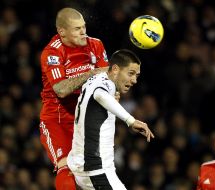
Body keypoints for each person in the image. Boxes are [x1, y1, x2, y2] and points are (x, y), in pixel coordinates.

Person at [39, 7, 109, 190]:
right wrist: (91, 73)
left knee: (93, 171)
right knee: (65, 167)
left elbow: (107, 81)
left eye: (84, 26)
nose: (83, 32)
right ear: (62, 32)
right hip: (58, 119)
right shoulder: (52, 52)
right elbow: (61, 89)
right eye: (77, 28)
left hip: (86, 119)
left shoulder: (96, 45)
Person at [67, 49, 155, 190]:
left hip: (87, 167)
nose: (134, 80)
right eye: (130, 74)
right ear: (115, 69)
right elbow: (100, 95)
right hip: (96, 170)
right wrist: (130, 120)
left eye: (137, 75)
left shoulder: (97, 79)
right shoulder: (105, 85)